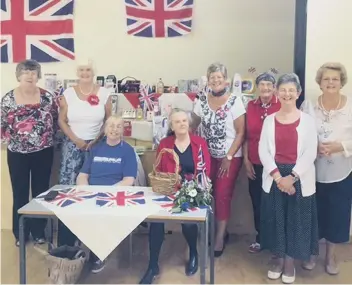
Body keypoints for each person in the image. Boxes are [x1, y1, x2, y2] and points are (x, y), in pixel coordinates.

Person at [259, 73, 319, 284]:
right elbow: (263, 151)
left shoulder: (308, 121)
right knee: (276, 221)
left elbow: (311, 152)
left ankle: (290, 264)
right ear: (277, 93)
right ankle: (277, 260)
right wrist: (278, 177)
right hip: (275, 176)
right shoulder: (269, 120)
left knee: (295, 222)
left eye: (291, 90)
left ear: (298, 93)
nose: (287, 94)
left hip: (299, 178)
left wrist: (291, 178)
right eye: (282, 90)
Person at [139, 108, 211, 284]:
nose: (181, 124)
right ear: (171, 125)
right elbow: (159, 170)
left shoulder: (199, 143)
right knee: (156, 222)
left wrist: (193, 187)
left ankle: (193, 252)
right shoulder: (164, 144)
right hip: (168, 190)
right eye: (177, 121)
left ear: (189, 123)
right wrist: (171, 184)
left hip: (192, 190)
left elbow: (205, 171)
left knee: (188, 220)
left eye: (184, 121)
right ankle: (153, 264)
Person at [301, 62, 352, 275]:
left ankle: (330, 255)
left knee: (337, 215)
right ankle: (313, 252)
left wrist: (341, 146)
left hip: (342, 172)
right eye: (326, 79)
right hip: (314, 172)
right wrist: (314, 146)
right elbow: (301, 136)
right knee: (314, 214)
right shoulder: (308, 106)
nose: (330, 82)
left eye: (335, 79)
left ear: (341, 82)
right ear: (319, 83)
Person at [1, 60, 58, 246]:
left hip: (43, 152)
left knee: (41, 192)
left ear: (38, 76)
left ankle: (38, 231)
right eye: (25, 72)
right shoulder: (8, 99)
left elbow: (56, 121)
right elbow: (2, 125)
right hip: (17, 154)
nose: (29, 75)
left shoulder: (47, 98)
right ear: (18, 76)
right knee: (20, 193)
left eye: (33, 72)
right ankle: (20, 234)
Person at [192, 63, 246, 257]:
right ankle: (212, 230)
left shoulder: (235, 101)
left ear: (226, 80)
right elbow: (193, 125)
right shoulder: (201, 101)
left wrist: (229, 156)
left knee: (223, 195)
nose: (216, 81)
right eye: (212, 77)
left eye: (219, 77)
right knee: (206, 192)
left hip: (229, 157)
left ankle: (220, 237)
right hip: (207, 156)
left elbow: (241, 133)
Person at [57, 59, 112, 247]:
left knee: (95, 190)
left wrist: (96, 140)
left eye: (88, 69)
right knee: (70, 191)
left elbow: (109, 119)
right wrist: (76, 140)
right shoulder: (68, 93)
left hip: (97, 146)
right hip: (73, 146)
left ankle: (93, 238)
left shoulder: (104, 93)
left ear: (93, 71)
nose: (85, 73)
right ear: (77, 72)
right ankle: (68, 240)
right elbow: (62, 120)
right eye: (81, 70)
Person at [76, 115, 138, 273]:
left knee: (100, 214)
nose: (114, 129)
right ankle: (71, 254)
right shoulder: (95, 149)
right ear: (104, 129)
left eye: (118, 126)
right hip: (92, 193)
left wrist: (107, 193)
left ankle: (97, 254)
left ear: (123, 130)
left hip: (114, 194)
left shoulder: (128, 150)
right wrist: (86, 190)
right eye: (111, 125)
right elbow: (83, 175)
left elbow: (129, 180)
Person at [243, 72, 281, 253]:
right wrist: (246, 160)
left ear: (274, 88)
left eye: (269, 85)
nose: (266, 88)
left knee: (275, 203)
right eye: (262, 84)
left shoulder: (282, 105)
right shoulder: (250, 106)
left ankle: (276, 241)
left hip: (276, 165)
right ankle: (260, 237)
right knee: (257, 202)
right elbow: (245, 136)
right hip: (255, 162)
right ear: (257, 87)